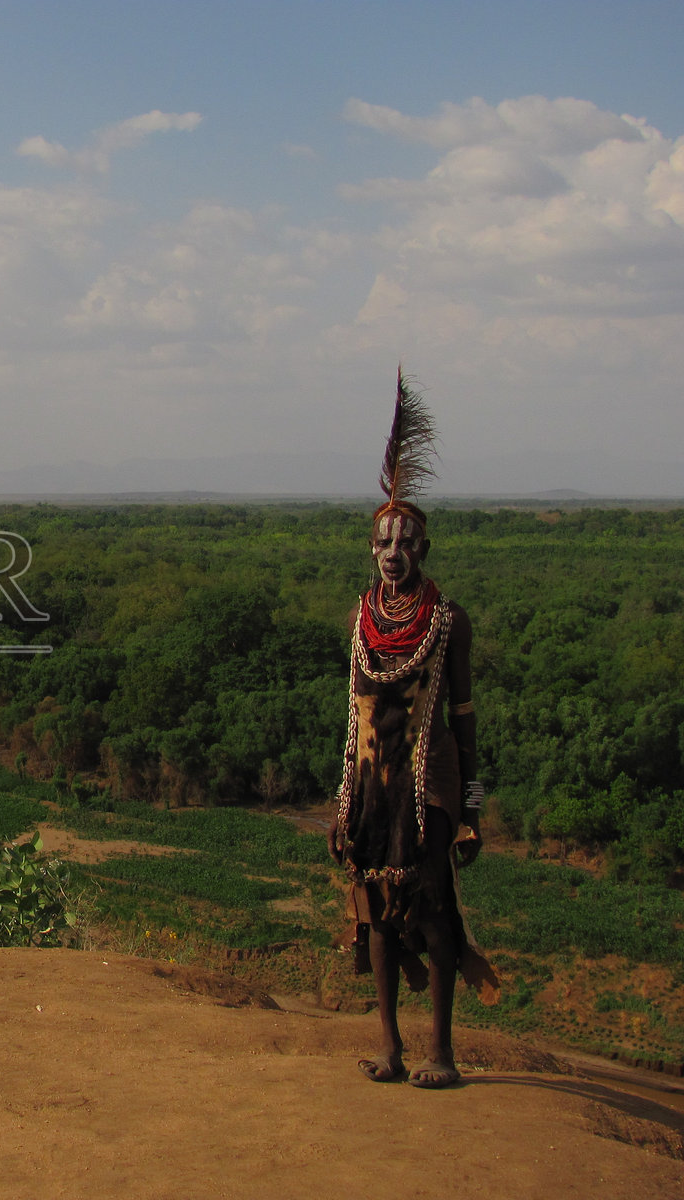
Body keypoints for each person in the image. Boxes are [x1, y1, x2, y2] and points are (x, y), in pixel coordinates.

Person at [328, 371, 499, 1088]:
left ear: (421, 551)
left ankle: (442, 1054)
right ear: (373, 551)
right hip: (373, 789)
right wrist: (343, 803)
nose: (392, 553)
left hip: (425, 792)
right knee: (376, 917)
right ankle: (391, 1048)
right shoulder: (361, 620)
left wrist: (471, 807)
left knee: (432, 918)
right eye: (383, 542)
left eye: (404, 543)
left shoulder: (448, 622)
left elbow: (461, 715)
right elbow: (353, 717)